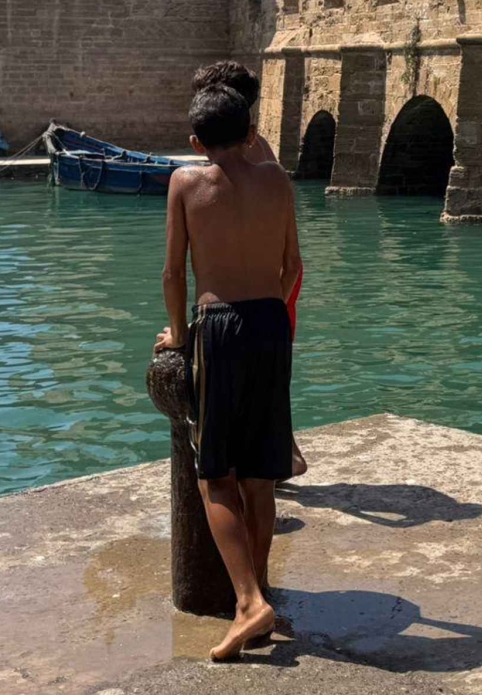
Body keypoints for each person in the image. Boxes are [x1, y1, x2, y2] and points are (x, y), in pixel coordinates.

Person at [155, 84, 302, 660]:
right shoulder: (278, 180)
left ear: (196, 142)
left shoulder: (185, 183)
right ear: (251, 133)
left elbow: (174, 273)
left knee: (214, 475)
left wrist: (181, 334)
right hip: (271, 325)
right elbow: (292, 266)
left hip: (218, 326)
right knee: (260, 475)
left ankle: (248, 602)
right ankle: (258, 591)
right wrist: (268, 316)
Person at [192, 61, 308, 479]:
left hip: (271, 279)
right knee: (265, 369)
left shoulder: (244, 156)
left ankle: (281, 454)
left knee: (258, 370)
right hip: (275, 275)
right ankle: (282, 453)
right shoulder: (256, 150)